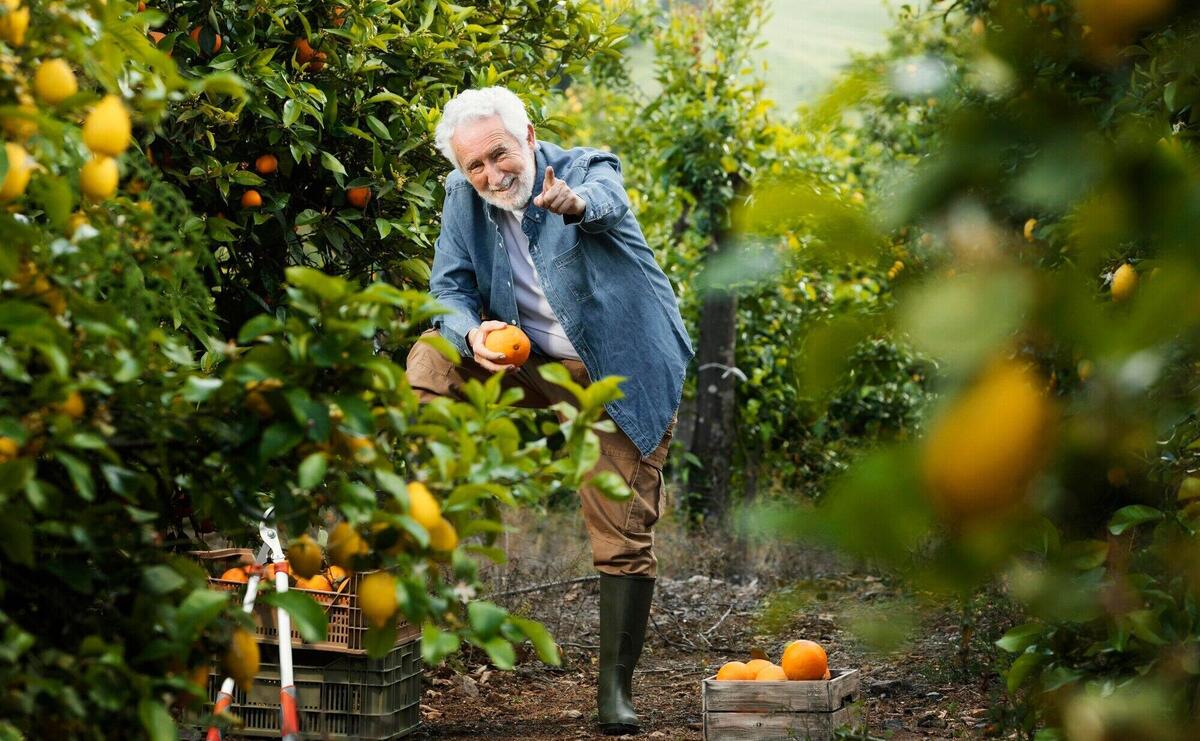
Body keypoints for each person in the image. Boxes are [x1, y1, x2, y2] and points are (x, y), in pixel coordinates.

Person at [404, 86, 693, 734]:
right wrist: (469, 330)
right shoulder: (464, 197)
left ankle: (614, 690)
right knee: (431, 357)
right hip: (521, 356)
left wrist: (576, 203)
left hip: (611, 366)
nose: (490, 175)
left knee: (620, 520)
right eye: (473, 165)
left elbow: (606, 199)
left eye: (499, 156)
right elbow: (448, 287)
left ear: (528, 136)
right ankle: (444, 516)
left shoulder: (586, 169)